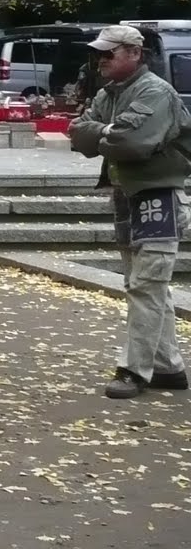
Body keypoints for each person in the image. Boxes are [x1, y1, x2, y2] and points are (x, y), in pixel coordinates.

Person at [69, 24, 191, 399]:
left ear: (135, 53)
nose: (100, 60)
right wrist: (109, 132)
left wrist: (100, 132)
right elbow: (78, 136)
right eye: (98, 54)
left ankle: (134, 369)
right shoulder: (108, 93)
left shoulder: (156, 92)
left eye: (109, 53)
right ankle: (167, 366)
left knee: (146, 285)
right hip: (126, 195)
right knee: (142, 285)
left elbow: (133, 143)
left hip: (158, 196)